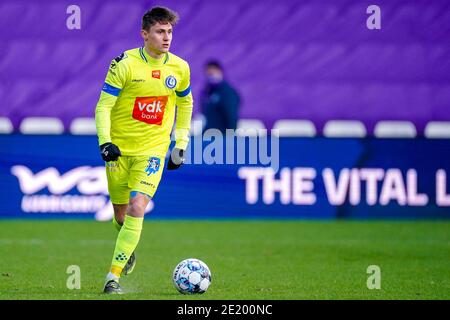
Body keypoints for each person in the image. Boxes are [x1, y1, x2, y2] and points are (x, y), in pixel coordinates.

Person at [94, 6, 193, 294]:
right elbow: (104, 106)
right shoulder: (124, 64)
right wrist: (105, 142)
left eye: (170, 32)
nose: (166, 38)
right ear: (144, 34)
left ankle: (112, 278)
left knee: (139, 206)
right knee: (122, 217)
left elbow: (185, 104)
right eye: (160, 32)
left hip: (153, 151)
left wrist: (181, 143)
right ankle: (127, 249)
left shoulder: (180, 67)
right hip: (120, 152)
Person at [200, 60, 240, 134]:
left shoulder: (227, 92)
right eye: (208, 74)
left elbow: (232, 118)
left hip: (222, 136)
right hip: (208, 135)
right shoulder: (207, 92)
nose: (210, 77)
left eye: (212, 74)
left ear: (220, 72)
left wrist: (229, 138)